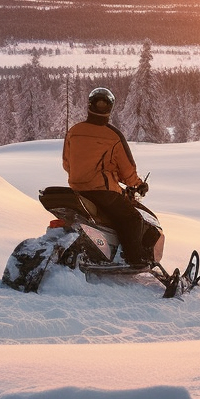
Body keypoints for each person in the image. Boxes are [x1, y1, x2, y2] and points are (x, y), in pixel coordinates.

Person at [62, 86, 151, 266]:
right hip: (103, 193)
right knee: (132, 219)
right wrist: (138, 184)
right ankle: (135, 259)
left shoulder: (74, 131)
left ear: (90, 105)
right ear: (110, 108)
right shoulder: (113, 136)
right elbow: (127, 170)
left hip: (77, 191)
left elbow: (66, 163)